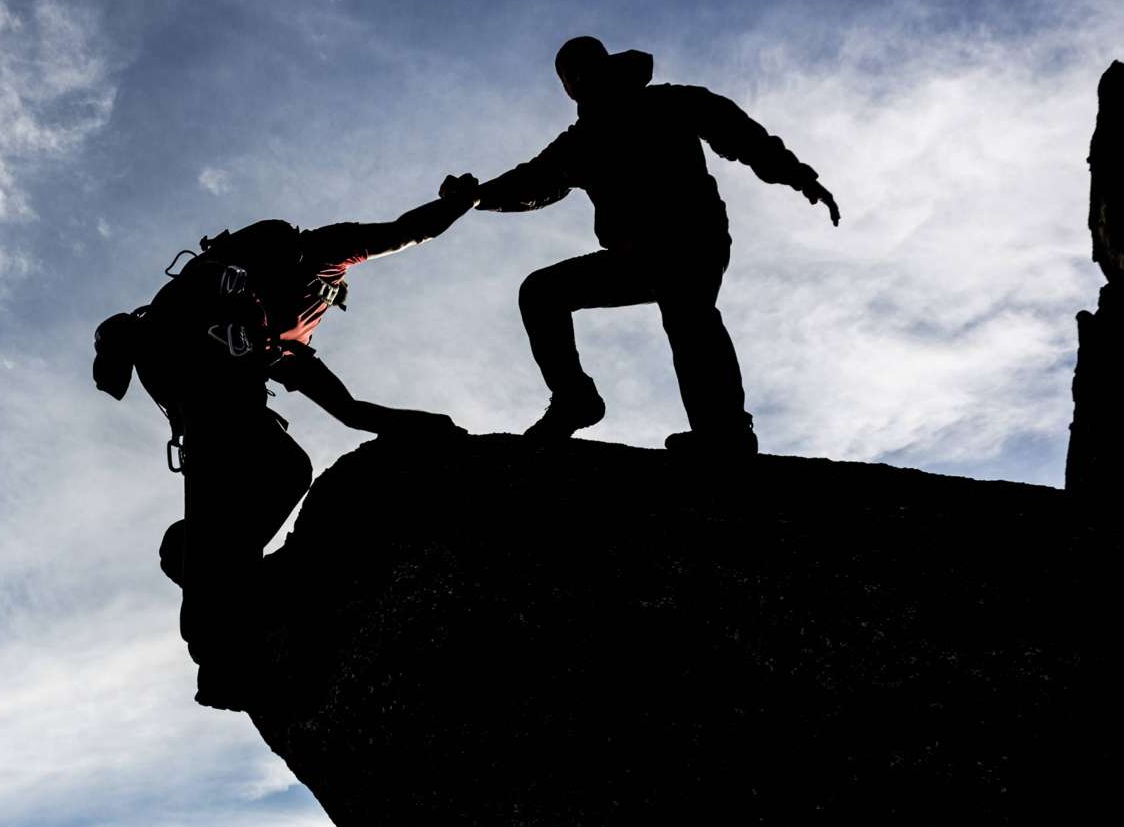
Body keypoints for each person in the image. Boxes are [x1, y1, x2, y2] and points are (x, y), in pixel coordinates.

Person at [93, 176, 478, 709]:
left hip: (196, 378)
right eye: (326, 297)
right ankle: (216, 641)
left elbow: (347, 411)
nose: (320, 308)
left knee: (272, 472)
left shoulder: (274, 338)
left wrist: (419, 425)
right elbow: (406, 232)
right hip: (201, 377)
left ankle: (208, 578)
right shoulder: (312, 258)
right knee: (260, 475)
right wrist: (458, 204)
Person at [474, 36, 840, 455]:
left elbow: (741, 135)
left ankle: (724, 431)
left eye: (581, 69)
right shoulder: (581, 141)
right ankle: (575, 400)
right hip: (635, 256)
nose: (575, 80)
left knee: (688, 312)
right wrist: (474, 196)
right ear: (566, 87)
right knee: (541, 292)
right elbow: (532, 182)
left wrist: (799, 176)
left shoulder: (669, 103)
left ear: (603, 65)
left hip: (692, 240)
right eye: (568, 76)